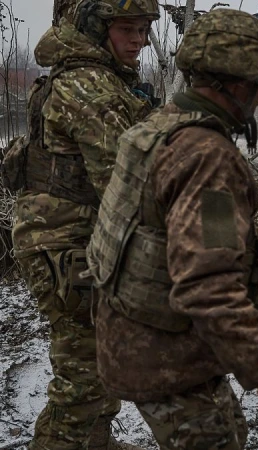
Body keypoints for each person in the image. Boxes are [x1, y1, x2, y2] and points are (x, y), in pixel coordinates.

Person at [85, 8, 258, 450]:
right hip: (168, 359)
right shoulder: (207, 158)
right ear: (236, 85)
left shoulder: (158, 126)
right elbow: (208, 286)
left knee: (231, 431)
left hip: (134, 339)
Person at [9, 1, 159, 449]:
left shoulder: (98, 78)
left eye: (144, 29)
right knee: (82, 380)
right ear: (96, 28)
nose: (140, 40)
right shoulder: (89, 88)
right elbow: (128, 188)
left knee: (105, 359)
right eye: (128, 29)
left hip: (81, 239)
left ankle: (96, 443)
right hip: (62, 247)